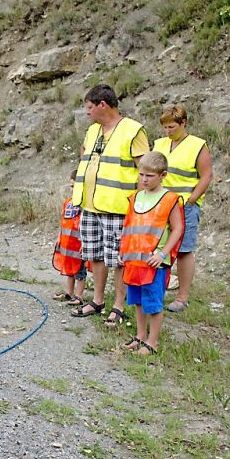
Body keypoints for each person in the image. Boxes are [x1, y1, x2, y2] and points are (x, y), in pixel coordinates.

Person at [70, 84, 149, 327]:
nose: (87, 113)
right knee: (95, 255)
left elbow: (145, 169)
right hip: (90, 205)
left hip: (118, 208)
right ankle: (97, 300)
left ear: (103, 105)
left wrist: (141, 206)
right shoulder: (92, 131)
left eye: (90, 108)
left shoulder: (133, 130)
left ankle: (119, 305)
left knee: (117, 260)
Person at [119, 151, 184, 354]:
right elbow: (129, 226)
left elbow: (178, 228)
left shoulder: (169, 199)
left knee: (153, 303)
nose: (144, 179)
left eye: (150, 176)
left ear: (163, 175)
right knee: (137, 300)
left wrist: (163, 254)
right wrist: (123, 250)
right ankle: (140, 336)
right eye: (141, 175)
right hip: (135, 261)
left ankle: (153, 342)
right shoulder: (136, 197)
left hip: (155, 262)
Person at [154, 106, 212, 312]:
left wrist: (192, 199)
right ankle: (157, 290)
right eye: (165, 127)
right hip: (161, 205)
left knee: (184, 250)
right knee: (159, 247)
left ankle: (182, 297)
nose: (168, 131)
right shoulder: (159, 144)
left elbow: (206, 175)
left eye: (172, 127)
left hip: (184, 205)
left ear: (183, 123)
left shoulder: (197, 145)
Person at [52, 170, 87, 306]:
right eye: (71, 187)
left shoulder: (85, 206)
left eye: (76, 186)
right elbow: (63, 223)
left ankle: (78, 296)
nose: (73, 190)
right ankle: (69, 293)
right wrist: (58, 238)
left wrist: (85, 243)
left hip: (79, 247)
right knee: (69, 270)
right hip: (67, 246)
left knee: (80, 272)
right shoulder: (67, 203)